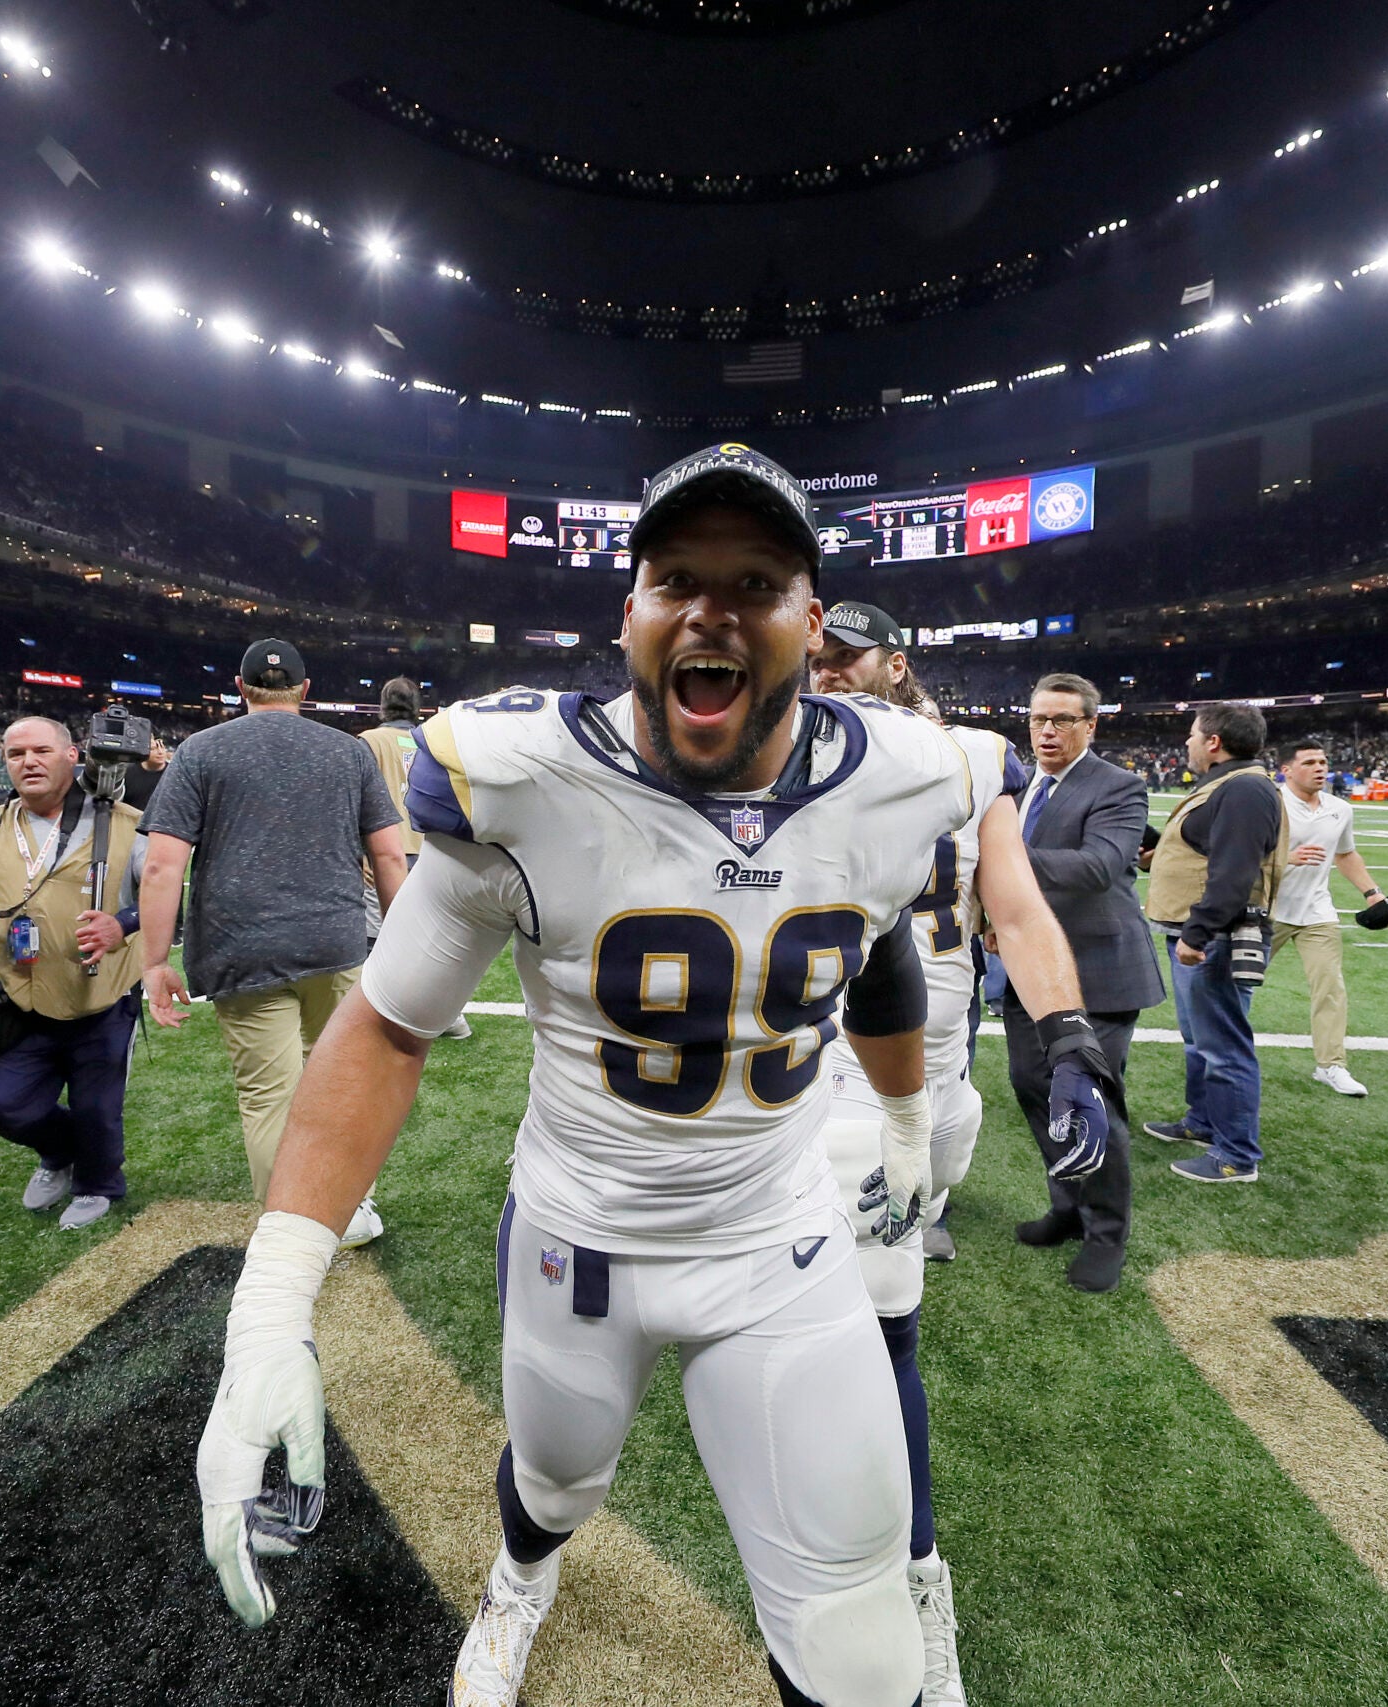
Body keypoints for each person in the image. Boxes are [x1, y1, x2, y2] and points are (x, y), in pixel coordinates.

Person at [189, 444, 1120, 1707]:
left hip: (777, 1243)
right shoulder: (521, 777)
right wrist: (270, 1304)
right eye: (677, 576)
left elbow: (883, 950)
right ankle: (518, 1584)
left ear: (808, 620)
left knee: (861, 1654)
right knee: (554, 1488)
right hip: (582, 1241)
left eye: (757, 582)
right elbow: (388, 1029)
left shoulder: (905, 776)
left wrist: (905, 1120)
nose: (713, 609)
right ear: (626, 611)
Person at [811, 603, 1104, 1705]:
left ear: (898, 661)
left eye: (852, 651)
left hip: (902, 1099)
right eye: (818, 649)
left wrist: (1070, 1033)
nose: (831, 667)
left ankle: (919, 1584)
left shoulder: (973, 762)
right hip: (785, 1087)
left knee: (884, 1339)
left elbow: (1016, 911)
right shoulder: (760, 747)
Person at [137, 637, 409, 1240]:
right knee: (340, 1080)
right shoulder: (348, 751)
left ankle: (293, 1230)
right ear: (304, 691)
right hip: (335, 939)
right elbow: (389, 855)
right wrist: (401, 938)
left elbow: (161, 866)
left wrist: (154, 960)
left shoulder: (202, 750)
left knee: (268, 1098)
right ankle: (352, 1205)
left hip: (241, 944)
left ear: (241, 687)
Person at [0, 717, 145, 1231]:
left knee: (97, 1107)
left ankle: (99, 1182)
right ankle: (62, 1154)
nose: (28, 762)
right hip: (19, 994)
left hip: (100, 994)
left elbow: (165, 900)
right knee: (0, 1107)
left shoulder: (126, 822)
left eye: (41, 750)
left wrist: (121, 923)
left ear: (71, 756)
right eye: (16, 754)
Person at [1001, 670, 1164, 1286]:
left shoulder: (1119, 785)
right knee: (1034, 1088)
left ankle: (1106, 1234)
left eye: (1063, 719)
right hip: (1028, 968)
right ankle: (1068, 1207)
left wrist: (999, 861)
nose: (1047, 730)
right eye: (1040, 717)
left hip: (1099, 973)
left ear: (1090, 726)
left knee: (1091, 1103)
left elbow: (1099, 867)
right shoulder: (1019, 785)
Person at [1141, 703, 1288, 1184]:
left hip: (1214, 939)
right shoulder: (1232, 783)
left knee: (1224, 1047)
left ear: (1213, 741)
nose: (1185, 743)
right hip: (1202, 934)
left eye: (1191, 735)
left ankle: (1235, 1156)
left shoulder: (1243, 787)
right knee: (1200, 1042)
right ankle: (1203, 1123)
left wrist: (1198, 932)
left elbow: (1234, 872)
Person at [1276, 739, 1388, 1098]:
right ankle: (1217, 1055)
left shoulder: (1339, 809)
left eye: (1323, 761)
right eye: (1310, 762)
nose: (1320, 768)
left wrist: (1373, 893)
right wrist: (1287, 857)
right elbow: (1244, 851)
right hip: (1267, 910)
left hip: (1317, 911)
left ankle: (1331, 1065)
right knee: (1235, 988)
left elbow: (1345, 854)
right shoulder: (1271, 803)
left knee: (1330, 987)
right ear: (1286, 770)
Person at [359, 677, 472, 1041]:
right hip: (430, 849)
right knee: (428, 939)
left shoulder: (368, 742)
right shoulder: (432, 739)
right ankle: (450, 1015)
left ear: (383, 705)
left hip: (383, 851)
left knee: (380, 940)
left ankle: (383, 1016)